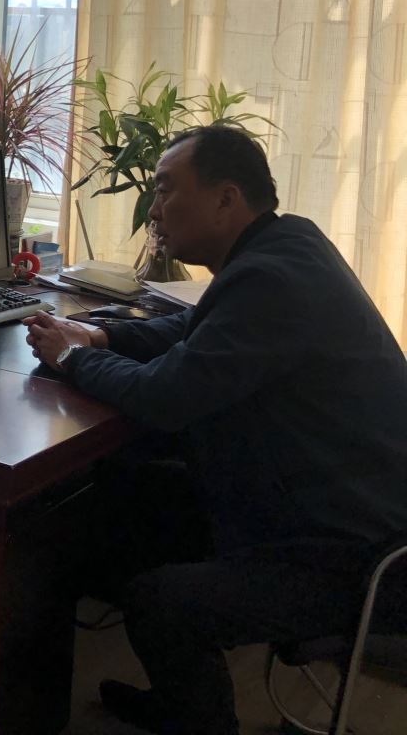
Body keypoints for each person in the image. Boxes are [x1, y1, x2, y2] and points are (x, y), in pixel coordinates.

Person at [24, 125, 407, 735]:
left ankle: (199, 719)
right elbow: (196, 331)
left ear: (227, 199)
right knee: (125, 502)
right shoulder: (287, 243)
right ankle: (184, 703)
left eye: (166, 189)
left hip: (348, 555)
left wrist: (71, 357)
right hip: (333, 512)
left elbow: (165, 396)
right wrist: (99, 336)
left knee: (160, 599)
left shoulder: (272, 278)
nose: (154, 208)